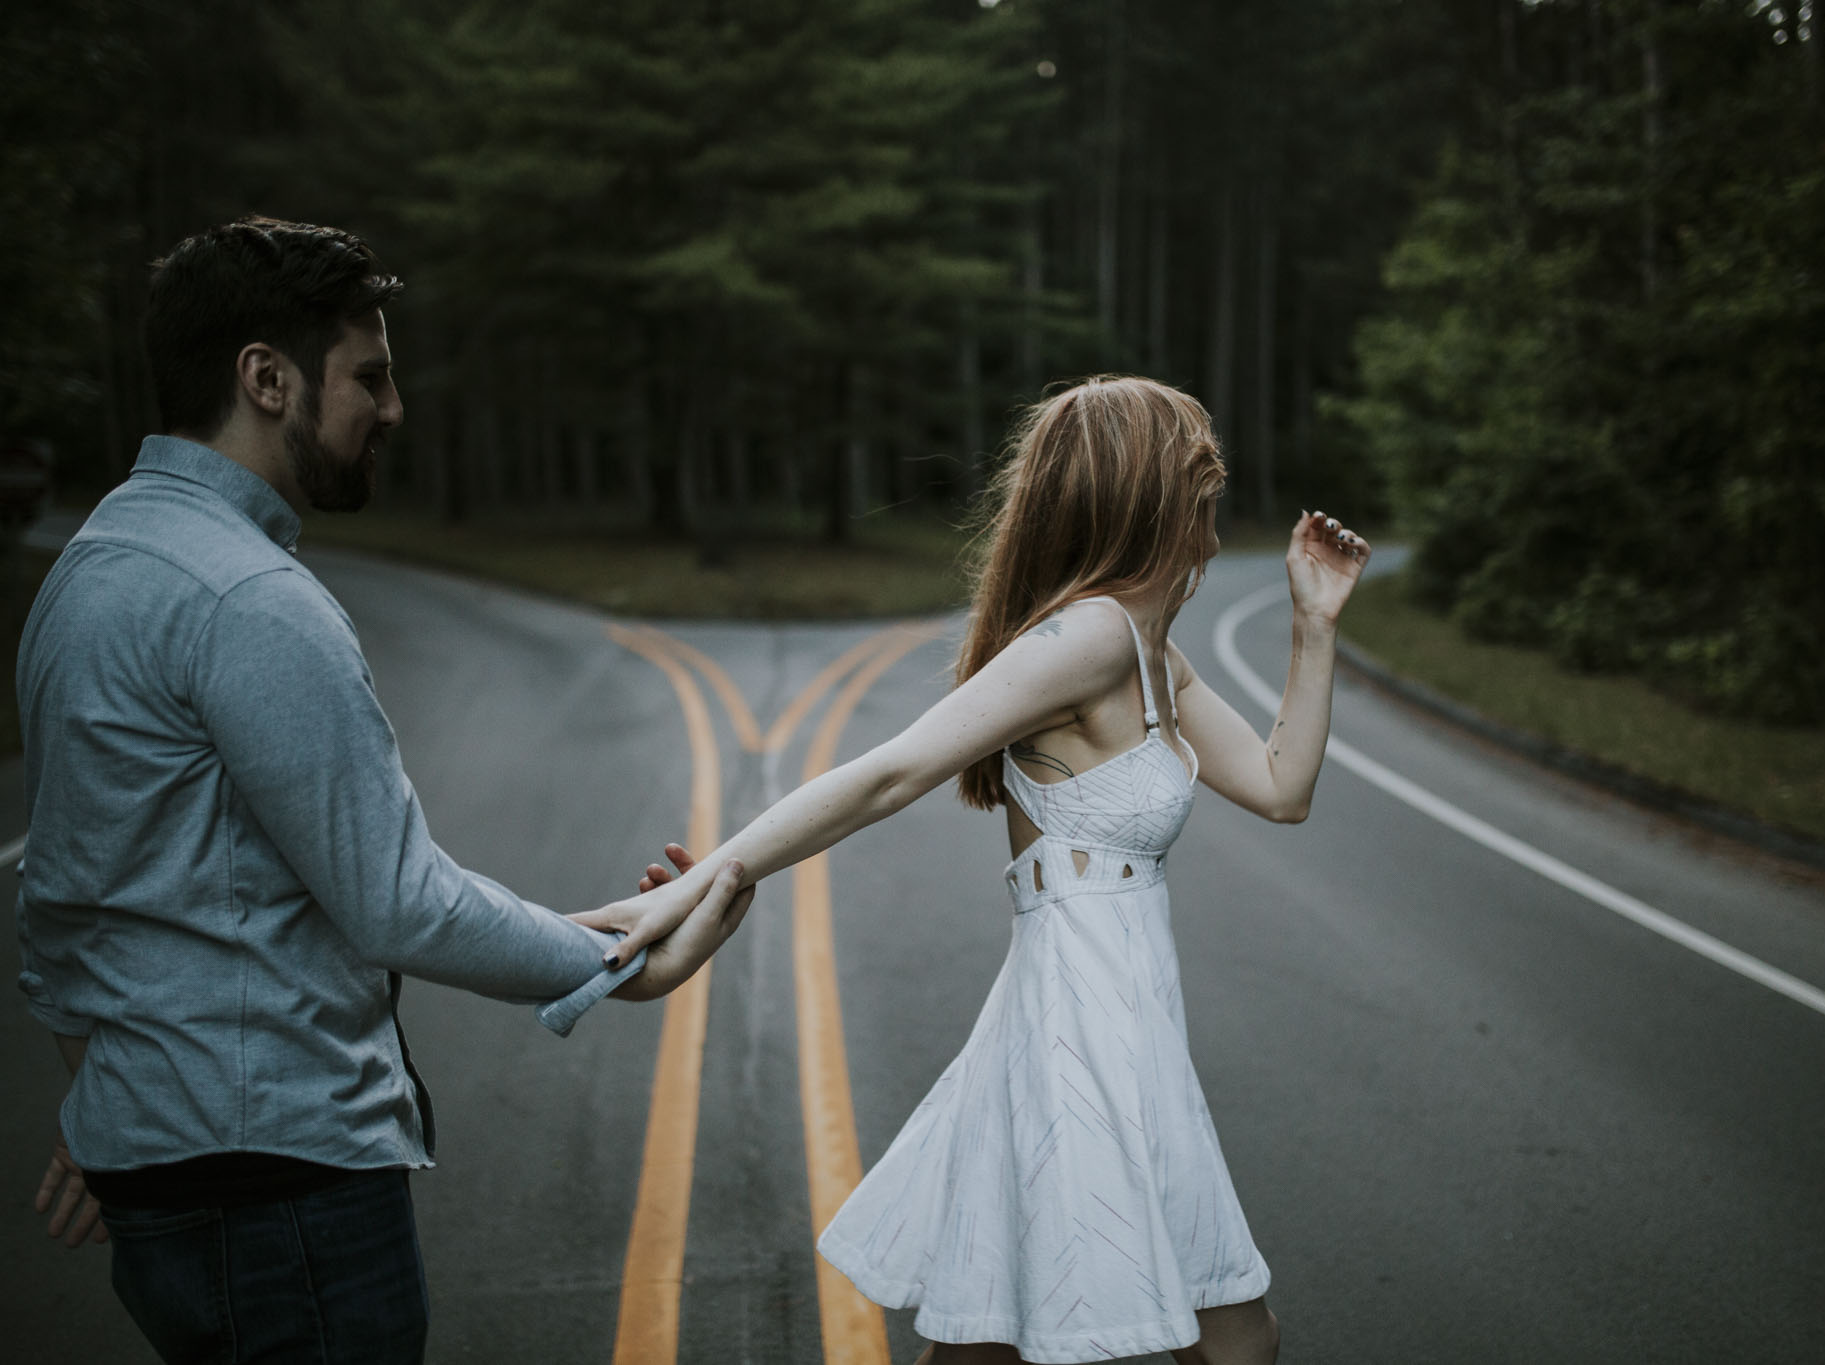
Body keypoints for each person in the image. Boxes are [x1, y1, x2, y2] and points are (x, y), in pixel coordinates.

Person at [15, 216, 750, 1364]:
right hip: (284, 1192)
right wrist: (623, 968)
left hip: (162, 1183)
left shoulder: (89, 572)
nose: (393, 410)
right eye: (370, 376)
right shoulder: (252, 599)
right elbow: (398, 901)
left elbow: (60, 905)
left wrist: (116, 1113)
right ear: (266, 379)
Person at [602, 375, 1368, 1364]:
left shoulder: (1148, 655)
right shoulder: (1088, 637)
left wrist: (1314, 625)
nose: (1213, 508)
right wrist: (721, 871)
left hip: (1123, 1022)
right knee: (1225, 1338)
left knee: (996, 1339)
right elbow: (891, 771)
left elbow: (1279, 787)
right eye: (1199, 480)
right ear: (1149, 495)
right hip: (1077, 1032)